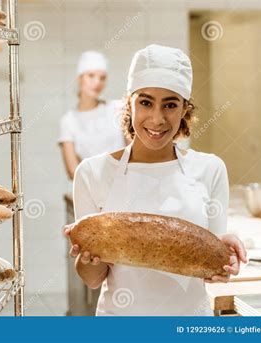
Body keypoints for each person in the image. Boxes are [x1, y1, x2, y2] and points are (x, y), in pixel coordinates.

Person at [65, 44, 247, 316]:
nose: (157, 118)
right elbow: (92, 279)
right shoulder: (92, 173)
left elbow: (213, 271)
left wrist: (227, 261)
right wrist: (87, 257)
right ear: (130, 103)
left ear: (185, 109)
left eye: (170, 104)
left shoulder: (210, 169)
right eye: (146, 102)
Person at [58, 51, 126, 180]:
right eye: (91, 76)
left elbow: (134, 152)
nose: (97, 82)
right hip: (92, 191)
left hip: (125, 184)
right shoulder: (68, 121)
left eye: (102, 78)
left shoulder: (118, 109)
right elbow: (73, 172)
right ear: (79, 78)